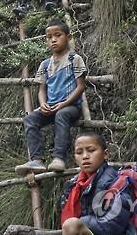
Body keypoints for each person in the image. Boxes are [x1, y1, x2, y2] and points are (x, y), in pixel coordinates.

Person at [15, 20, 86, 175]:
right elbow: (41, 89)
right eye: (49, 37)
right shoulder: (45, 65)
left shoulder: (75, 59)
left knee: (61, 114)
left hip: (70, 107)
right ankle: (37, 160)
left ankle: (59, 158)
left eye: (58, 35)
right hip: (50, 106)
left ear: (68, 37)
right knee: (30, 119)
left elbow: (81, 86)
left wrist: (64, 104)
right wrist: (43, 103)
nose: (53, 39)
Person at [60, 131, 132, 235]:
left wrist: (80, 223)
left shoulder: (114, 181)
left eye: (91, 150)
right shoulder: (74, 184)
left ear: (105, 154)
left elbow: (114, 224)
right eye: (79, 152)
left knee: (72, 225)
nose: (85, 156)